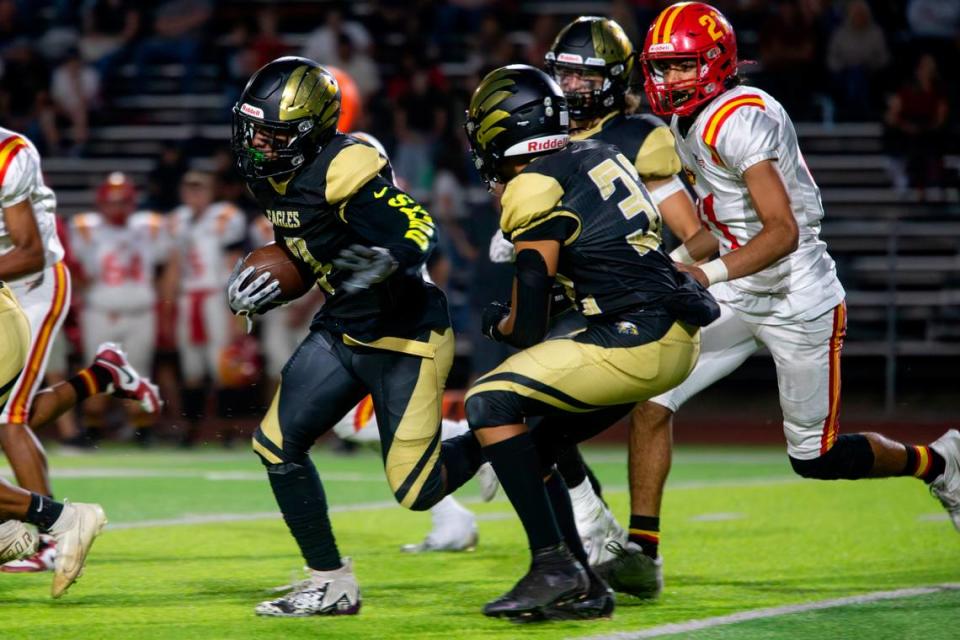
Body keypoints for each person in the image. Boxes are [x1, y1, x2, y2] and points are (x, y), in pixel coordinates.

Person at [617, 0, 960, 599]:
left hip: (797, 291)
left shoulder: (739, 119)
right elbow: (719, 224)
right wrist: (671, 266)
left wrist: (703, 276)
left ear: (717, 64)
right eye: (662, 67)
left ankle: (941, 464)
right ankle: (641, 553)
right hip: (738, 286)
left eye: (682, 67)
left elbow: (782, 231)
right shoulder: (688, 122)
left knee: (815, 457)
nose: (668, 81)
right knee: (653, 395)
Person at [228, 56, 484, 617]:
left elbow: (417, 226)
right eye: (253, 129)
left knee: (417, 491)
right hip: (345, 324)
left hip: (404, 332)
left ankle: (498, 437)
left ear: (308, 130)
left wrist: (388, 255)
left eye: (271, 134)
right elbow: (304, 249)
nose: (257, 144)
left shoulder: (346, 163)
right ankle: (331, 581)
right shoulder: (274, 173)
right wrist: (273, 284)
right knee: (275, 444)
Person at [462, 64, 718, 621]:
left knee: (488, 402)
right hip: (669, 328)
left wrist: (496, 322)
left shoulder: (534, 186)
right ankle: (585, 587)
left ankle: (552, 565)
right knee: (541, 437)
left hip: (636, 337)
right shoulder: (598, 154)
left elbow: (526, 326)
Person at [540, 15, 703, 567]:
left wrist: (653, 274)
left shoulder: (640, 138)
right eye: (561, 74)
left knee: (536, 411)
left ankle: (596, 533)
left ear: (613, 79)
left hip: (628, 308)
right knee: (530, 409)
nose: (569, 88)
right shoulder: (546, 132)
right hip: (568, 298)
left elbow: (695, 238)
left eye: (583, 77)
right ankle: (589, 527)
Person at [1, 279, 161, 596]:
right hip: (13, 303)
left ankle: (59, 524)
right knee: (11, 418)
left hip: (23, 299)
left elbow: (31, 250)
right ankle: (102, 375)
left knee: (9, 421)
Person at [0, 127, 72, 571]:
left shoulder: (8, 153)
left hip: (31, 287)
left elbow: (29, 252)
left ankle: (50, 537)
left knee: (10, 419)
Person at [69, 172, 170, 445]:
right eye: (112, 201)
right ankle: (92, 426)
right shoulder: (84, 226)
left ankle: (142, 428)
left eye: (123, 201)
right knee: (98, 370)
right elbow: (74, 270)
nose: (118, 207)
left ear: (133, 202)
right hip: (101, 309)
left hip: (141, 309)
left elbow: (166, 264)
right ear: (100, 203)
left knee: (140, 370)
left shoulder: (150, 226)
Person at [163, 171, 246, 446]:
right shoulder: (177, 220)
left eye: (200, 189)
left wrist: (235, 310)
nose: (194, 195)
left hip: (216, 297)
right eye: (189, 189)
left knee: (222, 365)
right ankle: (191, 429)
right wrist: (167, 306)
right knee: (191, 368)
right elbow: (174, 267)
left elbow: (236, 262)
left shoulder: (226, 216)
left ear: (212, 192)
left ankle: (228, 431)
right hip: (189, 298)